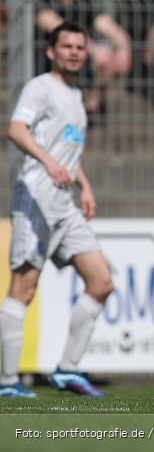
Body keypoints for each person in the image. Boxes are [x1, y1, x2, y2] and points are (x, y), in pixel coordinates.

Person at [0, 22, 114, 398]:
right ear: (51, 51)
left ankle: (66, 370)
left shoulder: (75, 94)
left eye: (80, 47)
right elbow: (16, 130)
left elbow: (68, 149)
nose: (75, 52)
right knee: (24, 288)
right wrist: (49, 164)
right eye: (67, 46)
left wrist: (86, 185)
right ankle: (7, 382)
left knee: (101, 282)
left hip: (65, 204)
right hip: (36, 198)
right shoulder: (41, 87)